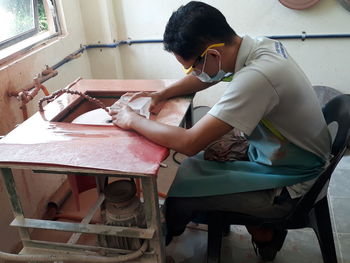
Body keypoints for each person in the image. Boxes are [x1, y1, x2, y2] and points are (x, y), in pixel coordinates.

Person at [110, 1, 331, 260]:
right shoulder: (254, 46)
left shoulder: (259, 76)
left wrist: (131, 119)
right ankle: (256, 230)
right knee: (194, 165)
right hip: (284, 154)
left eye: (193, 66)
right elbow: (208, 75)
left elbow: (189, 142)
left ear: (213, 55)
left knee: (179, 195)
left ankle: (159, 247)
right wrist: (161, 94)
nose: (194, 73)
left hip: (294, 183)